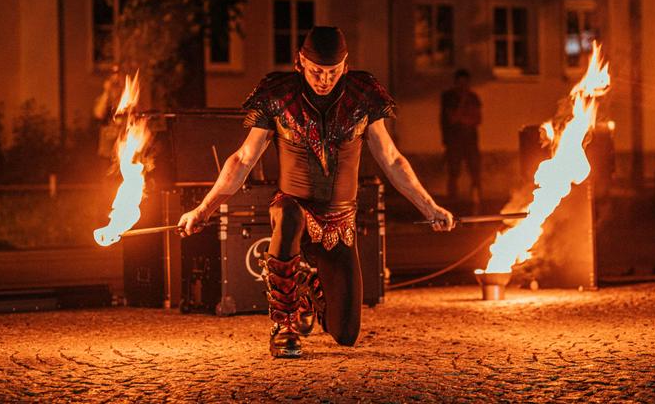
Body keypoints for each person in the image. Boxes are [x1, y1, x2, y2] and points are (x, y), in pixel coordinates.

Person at [178, 26, 454, 358]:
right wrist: (203, 210)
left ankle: (307, 289)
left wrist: (430, 208)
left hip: (340, 222)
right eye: (316, 71)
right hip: (293, 206)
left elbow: (392, 160)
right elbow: (242, 159)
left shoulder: (362, 95)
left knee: (346, 334)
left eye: (332, 72)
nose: (324, 79)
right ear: (300, 62)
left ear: (345, 65)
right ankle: (285, 323)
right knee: (289, 214)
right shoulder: (278, 95)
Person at [440, 69, 482, 207]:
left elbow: (477, 119)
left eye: (466, 83)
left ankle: (476, 199)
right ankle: (452, 201)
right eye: (460, 83)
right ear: (456, 83)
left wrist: (463, 119)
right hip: (454, 141)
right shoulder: (449, 97)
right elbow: (452, 118)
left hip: (471, 141)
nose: (463, 86)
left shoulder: (474, 97)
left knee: (475, 170)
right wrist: (462, 103)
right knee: (453, 171)